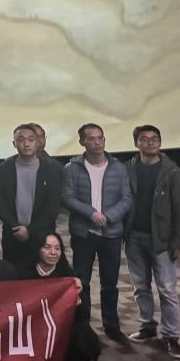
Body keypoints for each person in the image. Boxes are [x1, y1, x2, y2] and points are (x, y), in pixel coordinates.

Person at [62, 123, 133, 343]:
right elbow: (67, 197)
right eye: (91, 138)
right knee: (82, 282)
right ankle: (83, 328)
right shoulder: (72, 168)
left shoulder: (118, 167)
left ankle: (112, 326)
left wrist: (108, 217)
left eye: (100, 138)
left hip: (111, 233)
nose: (97, 142)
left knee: (110, 283)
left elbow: (126, 198)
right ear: (82, 142)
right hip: (84, 233)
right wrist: (91, 213)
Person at [124, 124, 180, 358]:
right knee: (140, 287)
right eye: (144, 139)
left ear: (160, 143)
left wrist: (177, 243)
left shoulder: (173, 172)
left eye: (154, 139)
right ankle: (147, 326)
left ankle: (171, 336)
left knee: (167, 289)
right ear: (136, 143)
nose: (150, 142)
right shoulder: (128, 169)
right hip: (134, 238)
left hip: (161, 241)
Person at [18, 232, 101, 361]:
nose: (53, 252)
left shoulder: (68, 276)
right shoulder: (24, 273)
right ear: (37, 249)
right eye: (47, 247)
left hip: (59, 327)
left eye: (57, 248)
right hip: (31, 326)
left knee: (85, 335)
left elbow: (83, 315)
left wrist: (77, 299)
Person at [0, 123, 64, 268]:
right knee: (13, 274)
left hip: (42, 233)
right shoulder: (4, 169)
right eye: (21, 139)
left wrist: (30, 230)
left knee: (41, 273)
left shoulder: (50, 170)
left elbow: (53, 206)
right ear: (14, 143)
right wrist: (15, 226)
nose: (26, 144)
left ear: (37, 143)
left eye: (31, 139)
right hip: (13, 233)